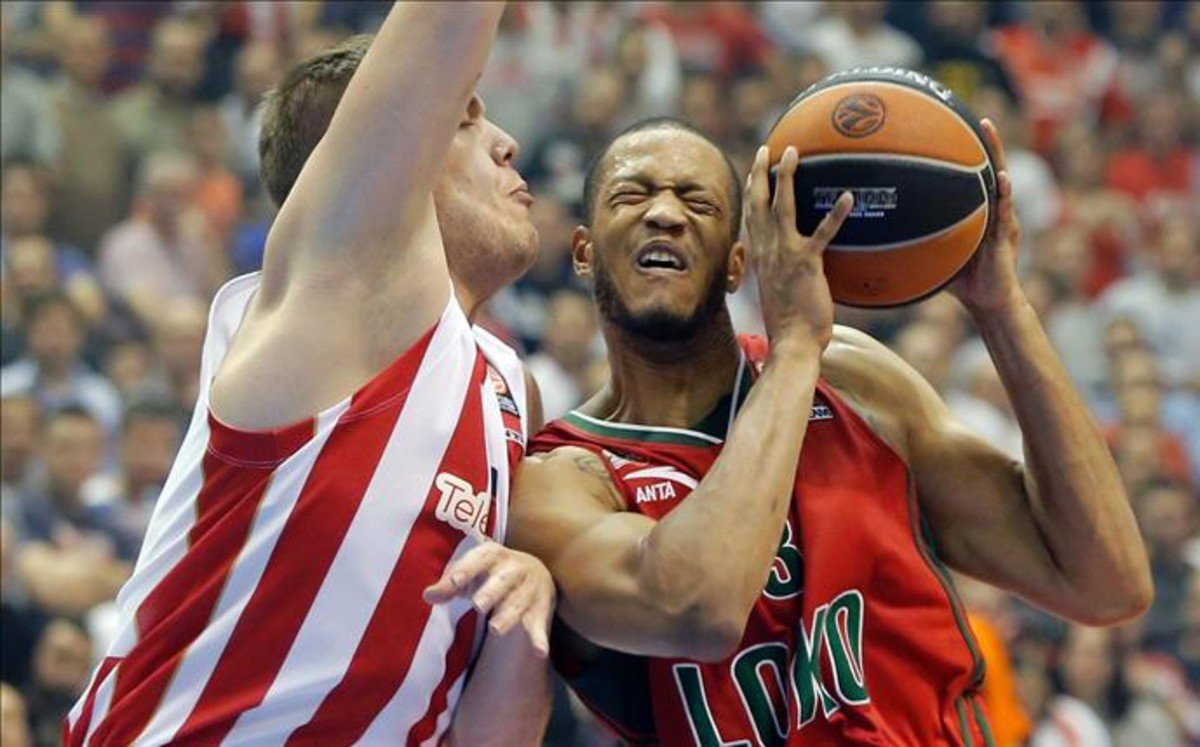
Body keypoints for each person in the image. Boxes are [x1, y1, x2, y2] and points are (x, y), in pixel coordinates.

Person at [509, 116, 1152, 744]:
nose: (666, 214)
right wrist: (794, 347)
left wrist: (1001, 306)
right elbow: (695, 609)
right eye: (632, 195)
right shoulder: (558, 480)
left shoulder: (850, 381)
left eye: (698, 203)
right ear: (584, 253)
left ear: (737, 265)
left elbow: (1105, 584)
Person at [66, 5, 555, 744]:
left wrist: (530, 606)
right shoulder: (334, 294)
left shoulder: (509, 388)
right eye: (464, 119)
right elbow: (446, 24)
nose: (506, 143)